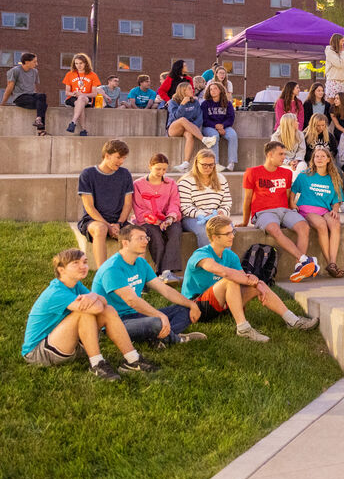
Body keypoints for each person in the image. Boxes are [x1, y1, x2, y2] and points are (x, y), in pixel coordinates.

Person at [22, 248, 155, 379]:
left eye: (85, 262)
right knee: (84, 313)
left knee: (109, 310)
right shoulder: (55, 292)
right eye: (75, 263)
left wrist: (92, 296)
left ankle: (132, 360)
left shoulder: (76, 285)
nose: (83, 266)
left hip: (68, 345)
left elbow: (104, 303)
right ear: (61, 270)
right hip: (39, 352)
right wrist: (94, 297)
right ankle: (96, 364)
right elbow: (96, 308)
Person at [182, 215, 317, 342]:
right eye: (227, 233)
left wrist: (256, 283)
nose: (232, 236)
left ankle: (292, 321)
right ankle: (243, 329)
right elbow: (222, 272)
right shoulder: (201, 254)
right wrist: (248, 280)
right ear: (215, 237)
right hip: (195, 307)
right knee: (230, 281)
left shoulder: (230, 255)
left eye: (232, 231)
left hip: (220, 306)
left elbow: (242, 277)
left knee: (260, 284)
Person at [93, 225, 206, 347]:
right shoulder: (112, 268)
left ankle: (160, 338)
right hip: (116, 322)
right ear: (125, 243)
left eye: (146, 238)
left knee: (185, 309)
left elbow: (165, 290)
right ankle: (176, 339)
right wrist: (160, 315)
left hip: (137, 314)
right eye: (140, 238)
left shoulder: (141, 262)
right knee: (156, 322)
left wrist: (191, 304)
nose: (146, 241)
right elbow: (131, 300)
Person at [241, 141, 319, 282]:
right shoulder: (252, 172)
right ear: (270, 154)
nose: (284, 157)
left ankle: (299, 268)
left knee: (304, 227)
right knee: (275, 230)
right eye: (281, 154)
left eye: (284, 154)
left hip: (284, 210)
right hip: (264, 212)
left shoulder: (287, 172)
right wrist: (244, 222)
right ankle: (304, 259)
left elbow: (289, 195)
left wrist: (293, 205)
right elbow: (247, 200)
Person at [78, 138, 135, 266]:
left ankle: (132, 274)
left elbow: (127, 204)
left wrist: (119, 224)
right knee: (100, 229)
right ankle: (103, 275)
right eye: (118, 157)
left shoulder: (125, 174)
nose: (121, 161)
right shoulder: (88, 174)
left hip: (118, 220)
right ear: (107, 155)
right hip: (93, 220)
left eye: (124, 158)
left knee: (136, 233)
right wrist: (108, 226)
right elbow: (89, 207)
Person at [291, 147, 344, 278]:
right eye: (317, 156)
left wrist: (335, 209)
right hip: (307, 209)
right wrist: (292, 203)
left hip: (324, 209)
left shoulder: (333, 178)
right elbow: (292, 192)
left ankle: (332, 263)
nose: (319, 159)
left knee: (335, 223)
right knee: (321, 224)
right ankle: (331, 264)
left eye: (322, 156)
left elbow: (337, 199)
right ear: (313, 159)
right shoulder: (305, 175)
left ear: (328, 160)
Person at [132, 152, 184, 283]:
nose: (161, 172)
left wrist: (170, 218)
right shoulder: (138, 184)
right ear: (150, 167)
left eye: (164, 169)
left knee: (175, 231)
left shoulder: (171, 184)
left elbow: (174, 203)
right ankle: (163, 272)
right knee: (155, 236)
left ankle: (166, 272)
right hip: (147, 220)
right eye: (158, 169)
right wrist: (155, 221)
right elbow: (139, 207)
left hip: (168, 219)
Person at [179, 149, 232, 250]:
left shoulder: (221, 179)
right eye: (204, 165)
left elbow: (226, 202)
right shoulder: (186, 181)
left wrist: (222, 212)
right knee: (205, 231)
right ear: (196, 163)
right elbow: (184, 206)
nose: (208, 168)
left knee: (227, 230)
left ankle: (223, 261)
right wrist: (202, 214)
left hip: (217, 216)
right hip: (194, 218)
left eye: (211, 165)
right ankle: (208, 261)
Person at [3, 52, 48, 135]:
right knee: (43, 105)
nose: (37, 64)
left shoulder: (35, 71)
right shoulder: (15, 71)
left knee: (42, 96)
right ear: (27, 62)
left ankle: (38, 119)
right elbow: (9, 87)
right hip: (20, 97)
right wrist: (3, 103)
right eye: (34, 62)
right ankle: (41, 130)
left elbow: (33, 87)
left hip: (31, 95)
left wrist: (39, 99)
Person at [200, 81, 238, 171]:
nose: (212, 91)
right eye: (211, 89)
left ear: (220, 90)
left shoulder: (227, 103)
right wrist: (215, 126)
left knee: (233, 135)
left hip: (224, 126)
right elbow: (204, 119)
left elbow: (231, 118)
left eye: (215, 89)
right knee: (215, 136)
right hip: (209, 127)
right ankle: (215, 163)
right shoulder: (205, 104)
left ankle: (231, 163)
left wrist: (222, 126)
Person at [61, 52, 102, 136]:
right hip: (72, 98)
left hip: (87, 98)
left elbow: (94, 94)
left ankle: (73, 122)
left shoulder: (92, 75)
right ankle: (83, 129)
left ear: (86, 63)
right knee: (80, 104)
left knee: (82, 99)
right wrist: (74, 94)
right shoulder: (70, 74)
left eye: (81, 63)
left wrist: (82, 94)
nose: (78, 65)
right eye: (76, 63)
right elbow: (67, 92)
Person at [324, 33, 344, 98]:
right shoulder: (329, 51)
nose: (343, 43)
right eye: (342, 41)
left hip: (343, 82)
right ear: (337, 41)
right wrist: (342, 52)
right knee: (332, 103)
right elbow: (339, 65)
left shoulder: (341, 54)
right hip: (334, 81)